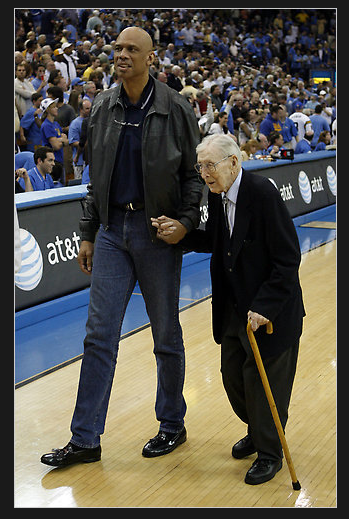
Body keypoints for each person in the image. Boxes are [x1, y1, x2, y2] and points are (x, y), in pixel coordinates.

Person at [40, 26, 203, 468]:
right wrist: (89, 231)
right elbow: (95, 177)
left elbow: (194, 177)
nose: (122, 55)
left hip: (156, 232)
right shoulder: (104, 108)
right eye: (118, 49)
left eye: (132, 50)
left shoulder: (177, 108)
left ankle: (172, 424)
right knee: (98, 336)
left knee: (166, 336)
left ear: (151, 59)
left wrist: (185, 223)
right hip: (112, 230)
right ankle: (85, 439)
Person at [153, 134, 305, 485]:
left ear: (234, 163)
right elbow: (220, 242)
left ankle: (270, 453)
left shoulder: (262, 195)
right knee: (233, 377)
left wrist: (265, 306)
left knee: (262, 383)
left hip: (272, 312)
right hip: (235, 308)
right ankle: (257, 429)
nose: (204, 173)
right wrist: (183, 235)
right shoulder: (219, 194)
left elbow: (287, 258)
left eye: (210, 165)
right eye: (200, 166)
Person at [40, 97, 69, 183]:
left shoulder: (56, 124)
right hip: (52, 163)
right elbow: (56, 146)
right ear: (48, 110)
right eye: (54, 107)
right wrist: (62, 140)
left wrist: (60, 140)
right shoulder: (47, 125)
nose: (57, 108)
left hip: (60, 160)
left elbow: (67, 142)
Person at [68, 98, 91, 179]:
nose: (90, 110)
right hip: (80, 162)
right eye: (87, 108)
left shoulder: (93, 121)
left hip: (90, 160)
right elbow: (72, 142)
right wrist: (86, 143)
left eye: (91, 108)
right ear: (81, 110)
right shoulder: (75, 123)